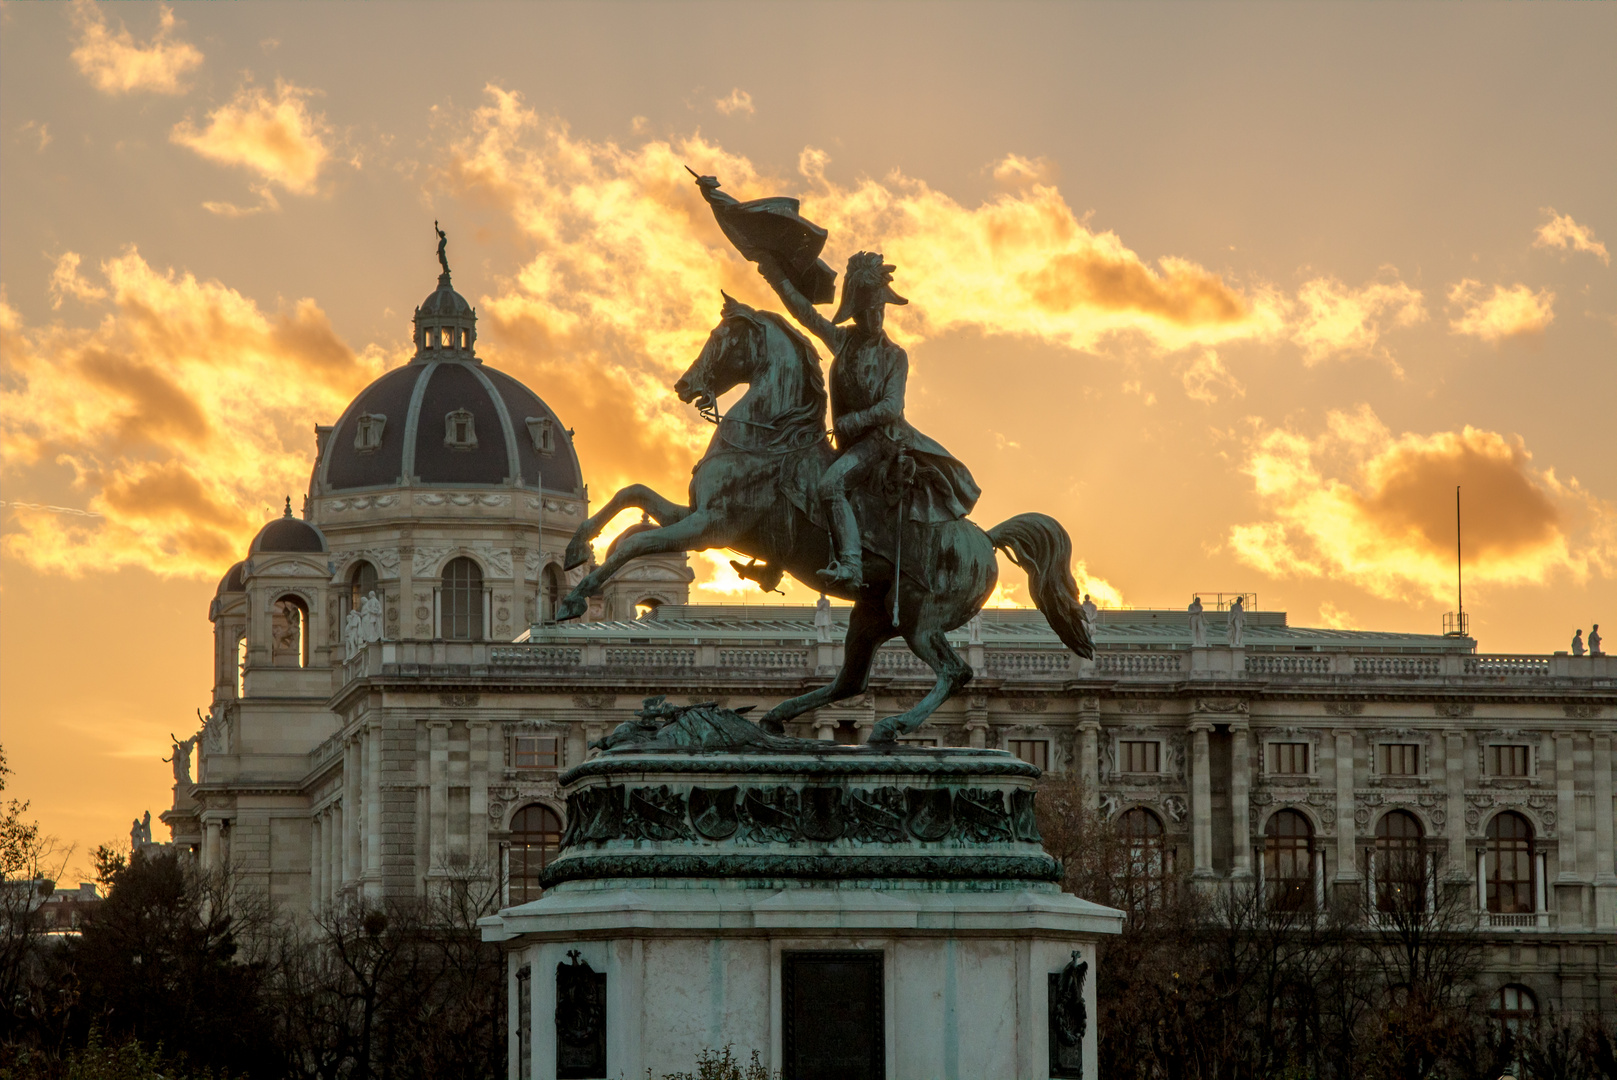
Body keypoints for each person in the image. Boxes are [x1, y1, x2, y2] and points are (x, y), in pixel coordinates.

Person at [757, 249, 980, 588]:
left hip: (883, 442)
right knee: (792, 477)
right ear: (855, 313)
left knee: (831, 486)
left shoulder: (894, 356)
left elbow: (892, 406)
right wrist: (775, 275)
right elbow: (806, 315)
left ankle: (851, 566)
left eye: (879, 311)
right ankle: (776, 560)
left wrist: (856, 421)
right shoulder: (843, 341)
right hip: (850, 444)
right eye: (866, 312)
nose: (875, 319)